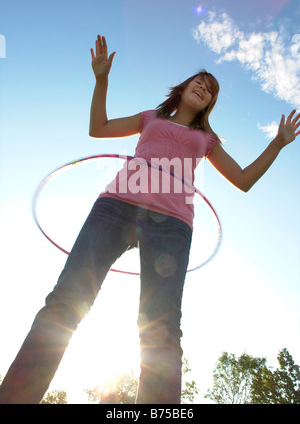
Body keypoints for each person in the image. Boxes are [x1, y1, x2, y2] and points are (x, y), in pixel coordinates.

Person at [0, 35, 299, 404]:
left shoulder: (207, 139)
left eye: (210, 90)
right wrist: (101, 80)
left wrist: (278, 143)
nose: (204, 88)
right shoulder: (150, 118)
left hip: (172, 224)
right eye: (198, 82)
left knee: (161, 328)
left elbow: (243, 181)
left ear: (211, 103)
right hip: (115, 206)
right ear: (183, 88)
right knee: (65, 301)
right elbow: (99, 128)